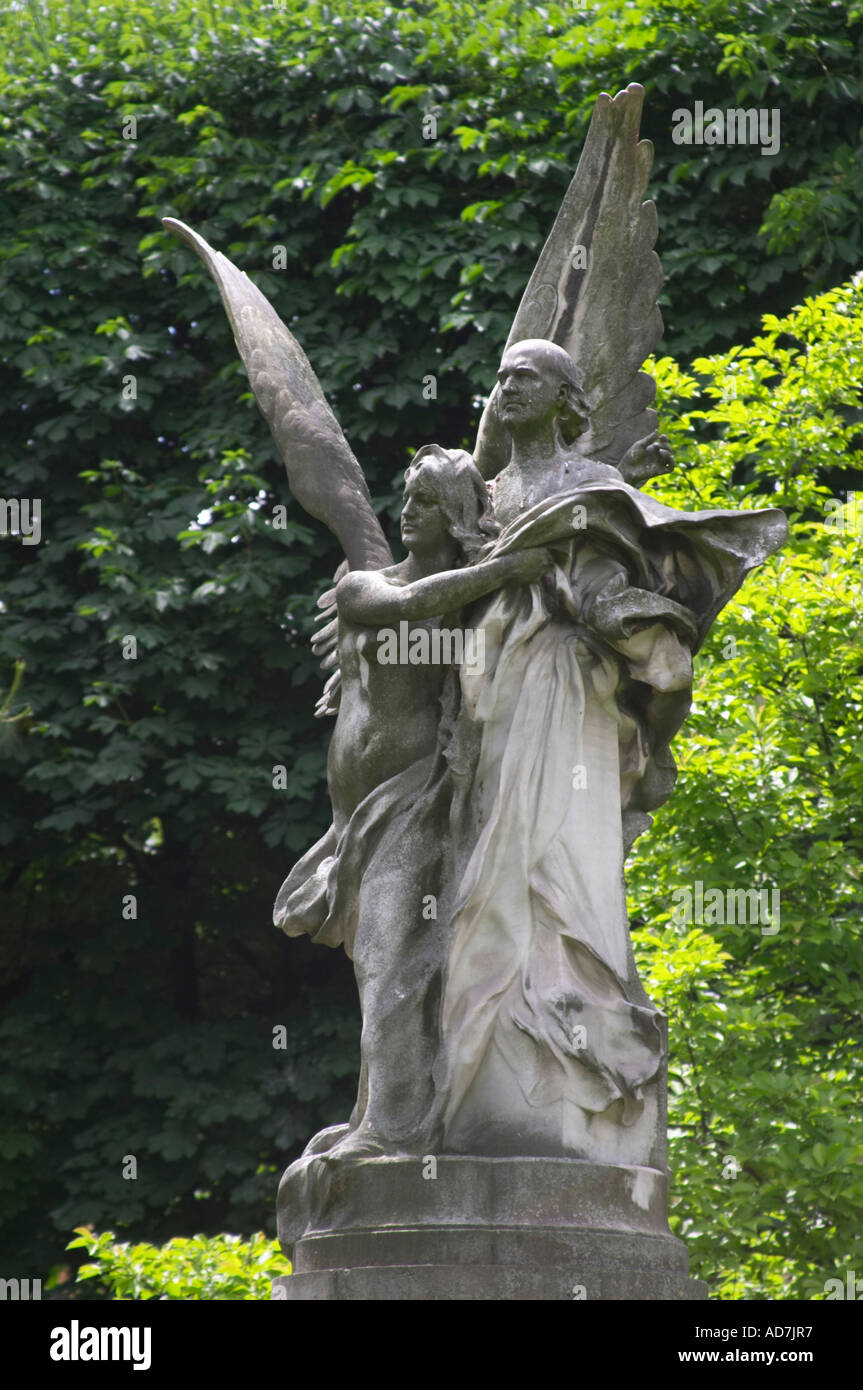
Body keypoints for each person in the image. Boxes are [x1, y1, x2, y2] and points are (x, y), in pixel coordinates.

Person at [436, 340, 787, 1164]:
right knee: (484, 875)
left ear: (565, 400)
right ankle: (482, 1076)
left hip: (566, 690)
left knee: (559, 864)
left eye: (525, 376)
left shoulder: (590, 487)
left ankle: (574, 1053)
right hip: (488, 697)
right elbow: (428, 587)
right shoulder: (481, 498)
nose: (504, 387)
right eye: (499, 377)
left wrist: (636, 629)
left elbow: (615, 584)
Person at [274, 443, 554, 1165]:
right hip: (353, 819)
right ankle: (382, 1112)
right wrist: (502, 567)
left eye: (426, 502)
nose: (407, 512)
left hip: (419, 800)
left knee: (393, 955)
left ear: (457, 516)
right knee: (382, 966)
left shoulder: (473, 606)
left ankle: (389, 1132)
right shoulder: (365, 586)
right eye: (407, 496)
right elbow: (406, 605)